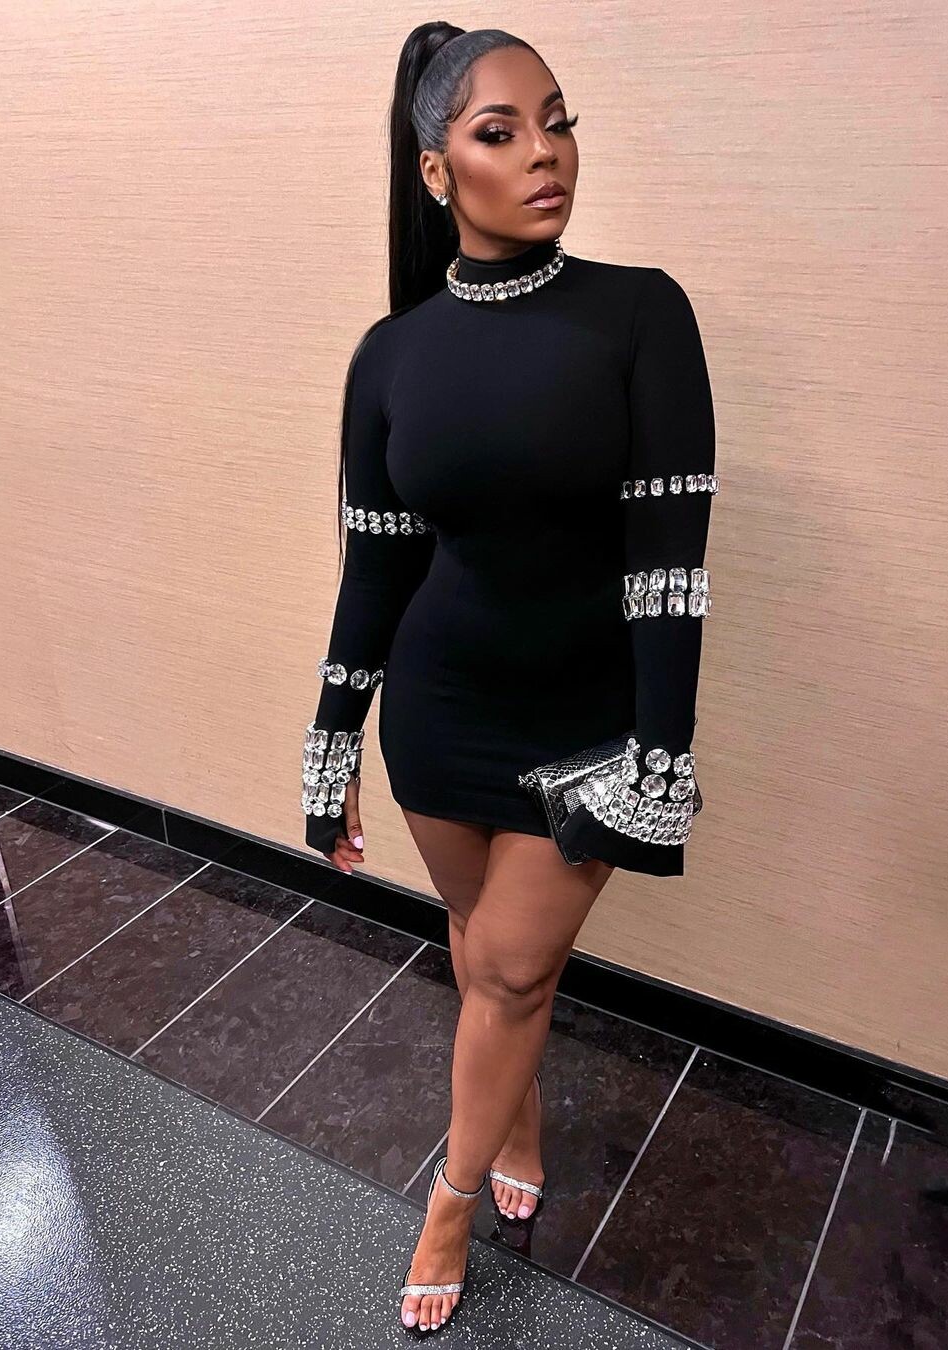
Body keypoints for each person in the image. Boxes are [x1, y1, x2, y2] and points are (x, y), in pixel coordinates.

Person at [301, 22, 718, 1337]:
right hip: (439, 717)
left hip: (585, 722)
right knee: (485, 949)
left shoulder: (641, 313)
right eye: (501, 132)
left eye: (558, 121)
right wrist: (332, 744)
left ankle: (451, 1196)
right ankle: (517, 1120)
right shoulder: (390, 354)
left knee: (511, 971)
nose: (546, 153)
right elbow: (376, 570)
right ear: (438, 172)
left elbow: (668, 565)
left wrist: (663, 753)